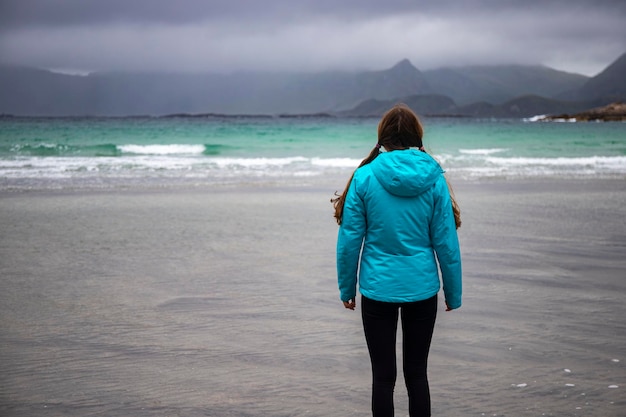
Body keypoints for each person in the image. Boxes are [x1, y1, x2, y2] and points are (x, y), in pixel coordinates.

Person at [332, 103, 462, 417]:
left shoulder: (364, 176)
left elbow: (350, 242)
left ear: (383, 138)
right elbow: (446, 242)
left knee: (383, 378)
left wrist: (347, 289)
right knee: (417, 374)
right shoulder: (433, 176)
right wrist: (453, 293)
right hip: (422, 289)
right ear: (417, 136)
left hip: (377, 291)